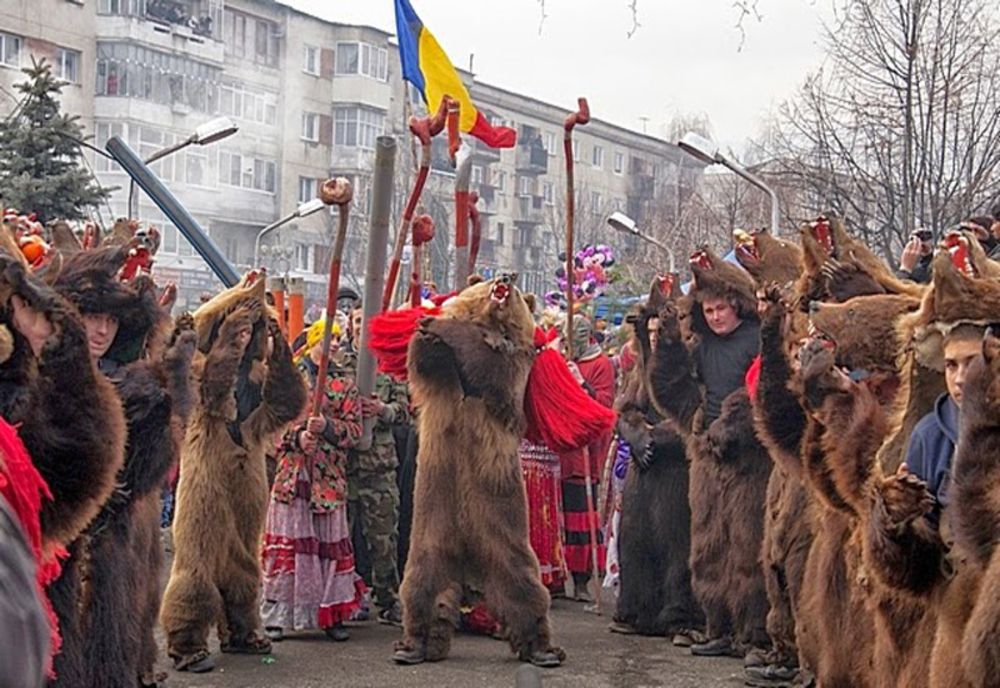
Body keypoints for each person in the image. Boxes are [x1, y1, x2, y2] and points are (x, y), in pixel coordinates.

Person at [261, 319, 364, 642]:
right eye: (329, 338)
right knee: (289, 546)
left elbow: (355, 431)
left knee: (328, 546)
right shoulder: (292, 378)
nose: (335, 344)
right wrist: (296, 438)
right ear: (315, 339)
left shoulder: (344, 383)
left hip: (328, 480)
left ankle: (332, 615)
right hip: (293, 477)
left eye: (337, 339)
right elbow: (271, 426)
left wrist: (328, 429)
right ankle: (278, 616)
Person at [343, 304, 409, 626]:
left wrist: (383, 410)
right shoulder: (338, 363)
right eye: (357, 321)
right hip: (343, 465)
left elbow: (407, 409)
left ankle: (387, 597)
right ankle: (348, 596)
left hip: (379, 465)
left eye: (367, 323)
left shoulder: (389, 364)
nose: (361, 328)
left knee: (384, 538)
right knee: (343, 538)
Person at [557, 314, 616, 603]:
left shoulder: (601, 365)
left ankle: (582, 580)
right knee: (560, 517)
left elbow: (604, 404)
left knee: (582, 518)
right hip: (562, 448)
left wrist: (583, 385)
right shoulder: (562, 360)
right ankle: (558, 576)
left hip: (586, 451)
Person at [901, 323, 983, 521]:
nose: (960, 379)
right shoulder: (929, 436)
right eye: (951, 366)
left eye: (972, 363)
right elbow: (920, 542)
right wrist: (904, 509)